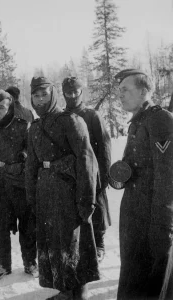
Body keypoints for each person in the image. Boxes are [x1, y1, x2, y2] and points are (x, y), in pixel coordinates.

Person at [25, 77, 100, 300]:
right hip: (46, 191)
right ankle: (65, 290)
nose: (40, 100)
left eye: (44, 94)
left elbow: (86, 161)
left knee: (73, 241)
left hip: (69, 190)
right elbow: (31, 165)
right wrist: (32, 196)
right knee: (55, 243)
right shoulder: (35, 127)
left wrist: (86, 199)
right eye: (36, 96)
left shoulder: (71, 121)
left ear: (53, 95)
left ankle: (80, 293)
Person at [113, 69, 173, 300]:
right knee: (135, 279)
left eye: (125, 90)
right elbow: (137, 166)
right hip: (135, 215)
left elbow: (167, 177)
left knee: (152, 286)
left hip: (152, 218)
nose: (120, 95)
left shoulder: (160, 120)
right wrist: (120, 173)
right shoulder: (138, 122)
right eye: (119, 91)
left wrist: (163, 225)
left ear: (143, 91)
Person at [0, 89, 37, 281]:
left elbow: (31, 154)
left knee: (28, 226)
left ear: (10, 107)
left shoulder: (22, 126)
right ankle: (3, 264)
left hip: (20, 185)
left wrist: (19, 166)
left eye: (2, 107)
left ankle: (30, 262)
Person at [62, 76, 112, 262]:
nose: (73, 95)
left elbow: (105, 146)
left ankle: (99, 244)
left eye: (76, 92)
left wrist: (104, 175)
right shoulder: (62, 117)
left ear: (81, 92)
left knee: (96, 208)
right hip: (72, 174)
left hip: (94, 173)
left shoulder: (92, 115)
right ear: (63, 94)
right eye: (69, 92)